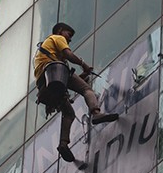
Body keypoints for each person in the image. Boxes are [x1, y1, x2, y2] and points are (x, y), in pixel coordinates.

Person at [33, 22, 118, 162]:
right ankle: (96, 113)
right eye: (69, 34)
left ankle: (63, 144)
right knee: (87, 90)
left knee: (68, 113)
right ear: (60, 30)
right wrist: (84, 64)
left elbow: (67, 80)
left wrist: (83, 75)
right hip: (54, 71)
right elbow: (69, 55)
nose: (70, 39)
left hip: (46, 83)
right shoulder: (57, 38)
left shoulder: (47, 50)